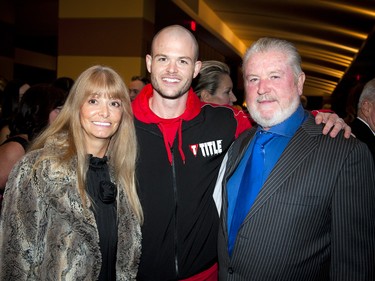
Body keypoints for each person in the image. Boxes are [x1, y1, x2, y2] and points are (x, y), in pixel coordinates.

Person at [131, 25, 351, 281]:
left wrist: (319, 118)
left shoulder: (225, 121)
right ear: (149, 63)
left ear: (196, 68)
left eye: (182, 60)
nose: (171, 69)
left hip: (208, 275)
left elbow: (274, 118)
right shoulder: (121, 125)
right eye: (163, 58)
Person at [215, 37, 375, 280]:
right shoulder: (239, 143)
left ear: (300, 83)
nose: (262, 88)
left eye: (275, 76)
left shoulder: (344, 152)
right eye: (253, 79)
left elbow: (353, 264)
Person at [0, 65, 143, 280]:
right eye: (93, 101)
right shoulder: (37, 169)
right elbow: (15, 260)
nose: (104, 112)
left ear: (123, 113)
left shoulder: (123, 175)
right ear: (76, 107)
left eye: (114, 103)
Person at [0, 83, 67, 191]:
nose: (64, 115)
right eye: (58, 109)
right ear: (40, 110)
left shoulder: (48, 142)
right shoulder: (16, 148)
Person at [0, 79, 30, 144]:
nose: (29, 100)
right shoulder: (6, 129)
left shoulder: (31, 123)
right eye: (23, 96)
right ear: (12, 100)